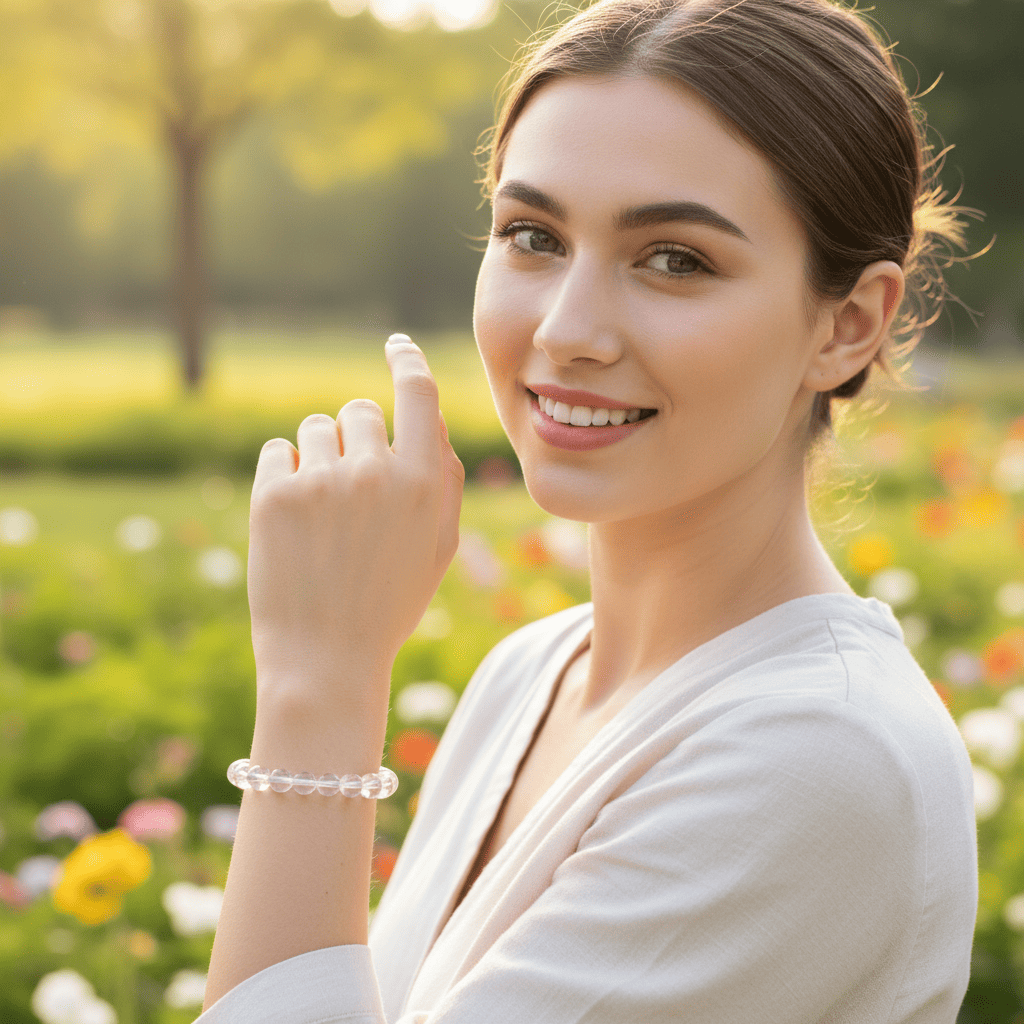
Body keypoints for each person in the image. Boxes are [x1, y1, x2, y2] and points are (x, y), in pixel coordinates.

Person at [197, 0, 983, 1020]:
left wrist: (318, 687)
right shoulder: (530, 672)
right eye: (532, 236)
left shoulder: (820, 756)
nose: (568, 330)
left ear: (845, 324)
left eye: (675, 259)